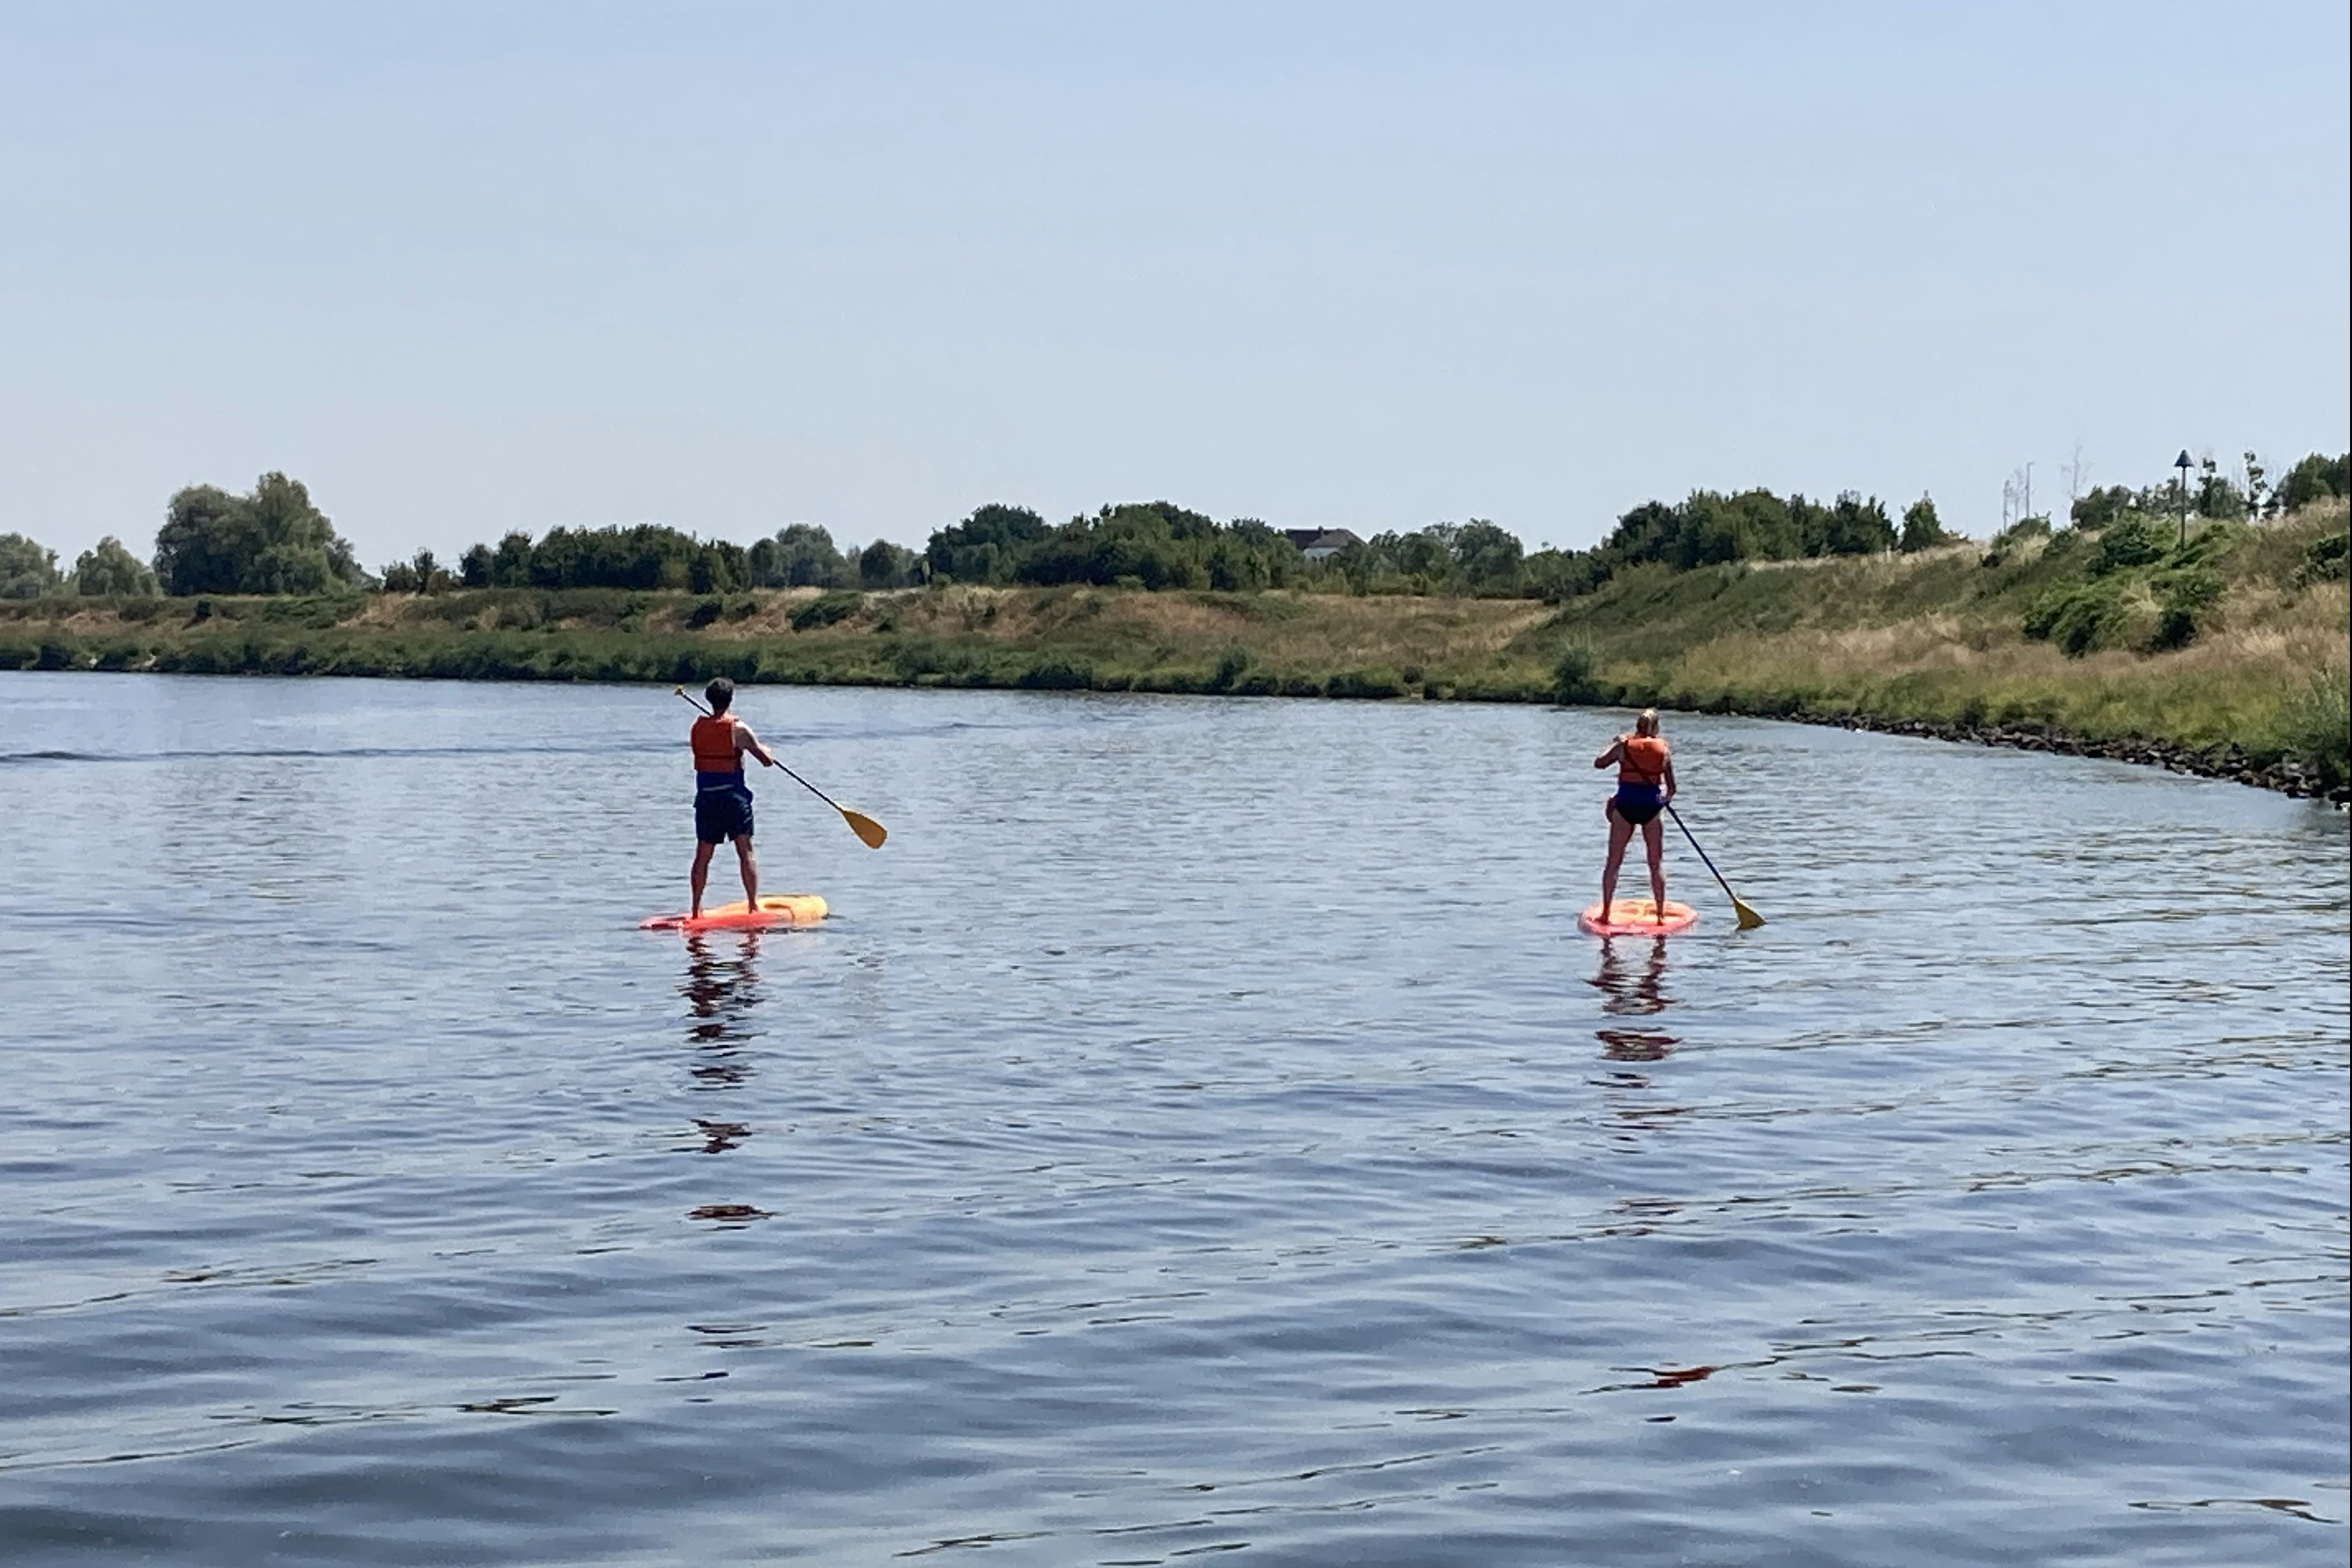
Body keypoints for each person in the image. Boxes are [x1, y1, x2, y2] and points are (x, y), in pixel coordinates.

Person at [689, 677, 778, 919]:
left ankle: (696, 909)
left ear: (709, 699)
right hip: (733, 798)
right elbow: (766, 761)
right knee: (745, 851)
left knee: (703, 855)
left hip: (706, 798)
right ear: (730, 699)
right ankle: (753, 906)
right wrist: (767, 750)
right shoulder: (740, 730)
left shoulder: (697, 728)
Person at [1592, 708, 1676, 925]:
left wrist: (1615, 742)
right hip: (1652, 808)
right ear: (1656, 728)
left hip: (1625, 807)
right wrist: (1664, 800)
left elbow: (1599, 763)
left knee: (1613, 862)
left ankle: (1606, 913)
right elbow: (1672, 789)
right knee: (1655, 863)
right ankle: (1660, 915)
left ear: (1637, 726)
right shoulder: (1663, 749)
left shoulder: (1623, 746)